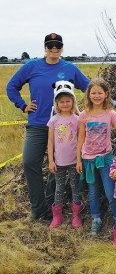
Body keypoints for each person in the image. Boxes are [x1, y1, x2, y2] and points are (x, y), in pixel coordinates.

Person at [6, 33, 90, 221]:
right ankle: (38, 208)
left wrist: (102, 104)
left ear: (62, 48)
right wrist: (23, 105)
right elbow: (11, 86)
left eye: (57, 45)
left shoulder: (70, 68)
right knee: (29, 162)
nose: (54, 48)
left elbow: (89, 88)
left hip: (64, 126)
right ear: (45, 47)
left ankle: (54, 208)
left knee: (58, 165)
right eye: (50, 45)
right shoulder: (32, 66)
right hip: (37, 124)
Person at [76, 77, 116, 236]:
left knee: (110, 191)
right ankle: (96, 219)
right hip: (88, 159)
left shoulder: (111, 113)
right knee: (93, 191)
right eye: (93, 93)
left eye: (100, 93)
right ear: (88, 95)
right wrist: (78, 159)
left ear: (106, 94)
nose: (96, 96)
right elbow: (80, 138)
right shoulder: (84, 115)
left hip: (106, 158)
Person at [47, 80, 83, 229]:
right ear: (56, 103)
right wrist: (51, 160)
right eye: (61, 101)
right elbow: (50, 143)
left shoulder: (77, 119)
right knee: (59, 188)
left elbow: (81, 140)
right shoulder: (53, 120)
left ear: (73, 101)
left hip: (75, 161)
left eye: (68, 101)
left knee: (76, 187)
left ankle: (76, 215)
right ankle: (57, 215)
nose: (65, 104)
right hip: (59, 162)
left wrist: (80, 160)